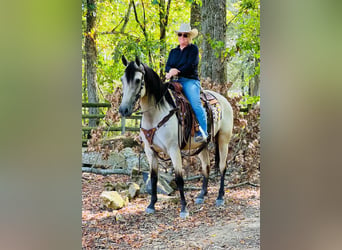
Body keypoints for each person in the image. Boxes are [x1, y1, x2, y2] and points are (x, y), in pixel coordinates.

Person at [165, 23, 208, 143]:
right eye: (180, 35)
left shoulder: (193, 49)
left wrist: (176, 70)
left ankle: (203, 132)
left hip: (189, 81)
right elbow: (167, 66)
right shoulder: (173, 52)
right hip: (174, 81)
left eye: (185, 35)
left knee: (195, 104)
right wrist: (170, 71)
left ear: (190, 37)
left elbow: (191, 65)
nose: (182, 37)